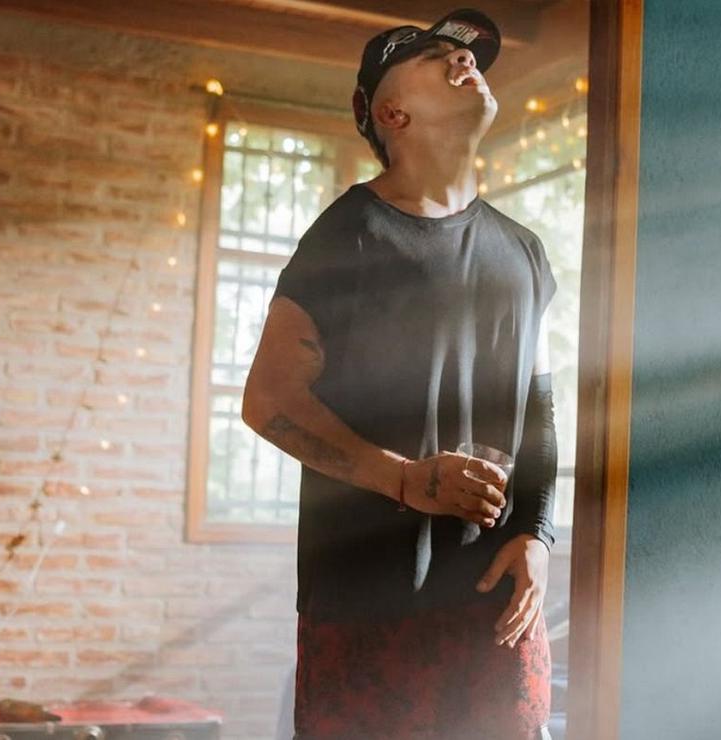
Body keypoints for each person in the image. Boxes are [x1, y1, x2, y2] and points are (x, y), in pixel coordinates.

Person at [241, 8, 559, 740]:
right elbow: (268, 400)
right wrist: (406, 480)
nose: (463, 62)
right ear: (391, 113)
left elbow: (539, 409)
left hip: (495, 607)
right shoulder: (347, 234)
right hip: (364, 605)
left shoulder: (524, 249)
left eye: (467, 56)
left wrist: (538, 535)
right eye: (434, 57)